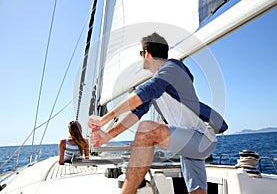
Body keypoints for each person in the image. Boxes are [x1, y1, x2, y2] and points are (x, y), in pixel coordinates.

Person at [88, 32, 227, 194]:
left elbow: (145, 92)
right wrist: (108, 136)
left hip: (201, 137)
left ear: (146, 54)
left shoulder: (173, 68)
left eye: (141, 54)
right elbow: (135, 113)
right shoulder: (160, 83)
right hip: (189, 141)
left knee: (147, 130)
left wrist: (103, 119)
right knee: (197, 191)